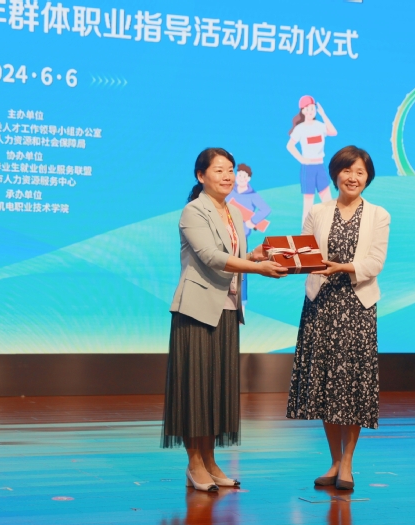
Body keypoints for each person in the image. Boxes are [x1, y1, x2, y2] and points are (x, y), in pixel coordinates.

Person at [163, 147, 288, 492]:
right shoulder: (193, 210)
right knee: (194, 391)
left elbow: (233, 256)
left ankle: (211, 461)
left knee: (217, 390)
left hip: (228, 309)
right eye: (219, 170)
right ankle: (194, 464)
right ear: (201, 176)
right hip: (196, 310)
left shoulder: (233, 211)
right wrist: (258, 268)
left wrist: (254, 256)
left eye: (230, 170)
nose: (227, 176)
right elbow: (211, 256)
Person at [286, 146, 390, 491]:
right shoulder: (317, 211)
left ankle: (348, 463)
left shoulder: (379, 215)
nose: (353, 177)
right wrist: (281, 259)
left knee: (352, 386)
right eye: (347, 170)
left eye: (360, 172)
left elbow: (375, 263)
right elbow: (303, 254)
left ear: (368, 178)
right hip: (322, 306)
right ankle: (333, 460)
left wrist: (342, 267)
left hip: (357, 307)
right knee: (327, 386)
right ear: (335, 174)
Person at [286, 95, 338, 225]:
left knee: (328, 201)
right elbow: (290, 146)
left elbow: (333, 132)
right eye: (307, 109)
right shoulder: (300, 129)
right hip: (308, 169)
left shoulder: (320, 126)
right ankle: (305, 234)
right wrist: (302, 159)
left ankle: (331, 230)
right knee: (308, 204)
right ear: (303, 111)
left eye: (313, 108)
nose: (310, 111)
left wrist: (323, 114)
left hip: (320, 167)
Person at [226, 163, 272, 306]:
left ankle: (241, 302)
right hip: (224, 235)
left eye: (244, 176)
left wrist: (253, 221)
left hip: (241, 237)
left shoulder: (252, 195)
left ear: (249, 178)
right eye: (239, 175)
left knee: (242, 268)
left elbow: (265, 209)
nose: (241, 178)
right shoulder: (229, 191)